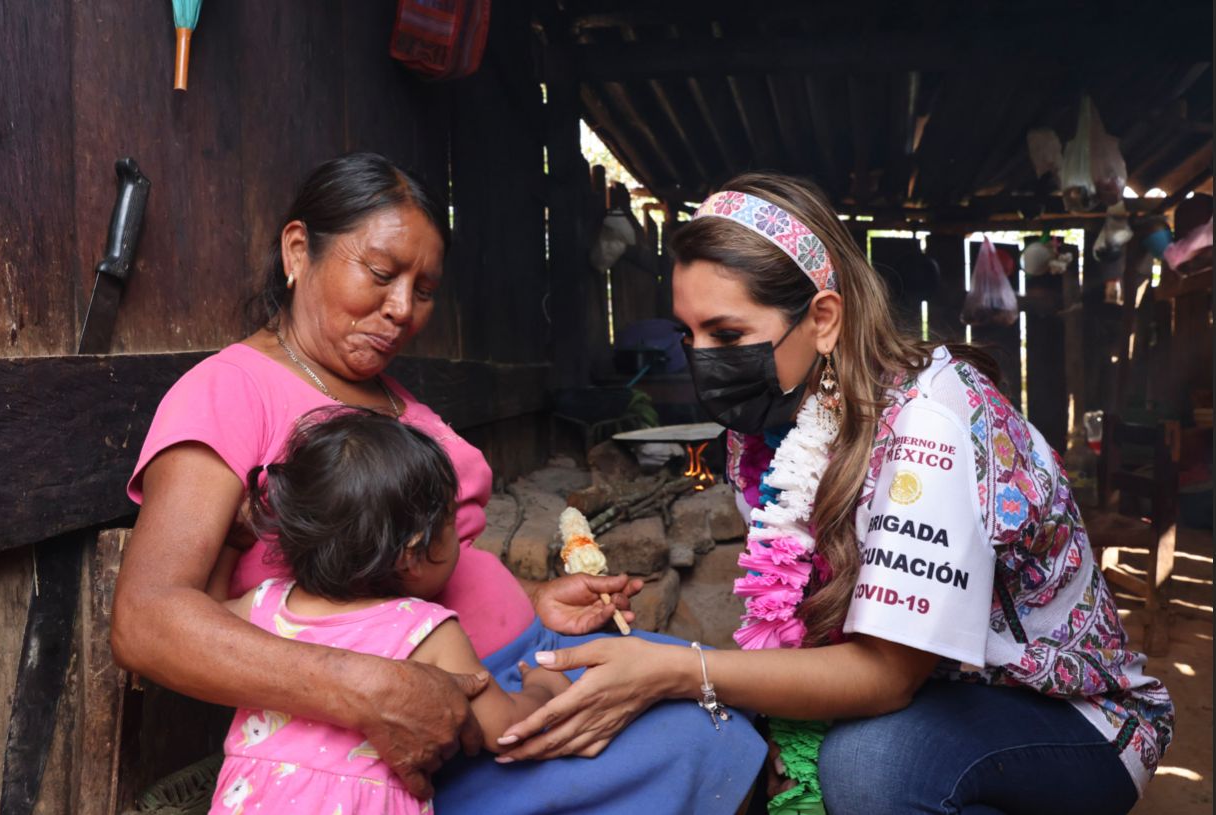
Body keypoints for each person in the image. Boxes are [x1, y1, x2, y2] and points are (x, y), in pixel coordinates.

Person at [496, 174, 1174, 815]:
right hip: (939, 695)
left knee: (869, 766)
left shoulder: (929, 424)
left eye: (727, 334)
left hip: (1070, 717)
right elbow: (798, 627)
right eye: (689, 335)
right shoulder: (766, 429)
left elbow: (885, 676)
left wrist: (682, 670)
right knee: (671, 690)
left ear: (823, 319)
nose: (702, 358)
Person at [111, 152, 764, 814]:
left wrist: (531, 596)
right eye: (380, 273)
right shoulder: (230, 392)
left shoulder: (385, 393)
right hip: (432, 735)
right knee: (703, 736)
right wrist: (376, 689)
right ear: (298, 249)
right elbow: (146, 621)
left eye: (423, 290)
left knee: (698, 688)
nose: (402, 309)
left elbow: (420, 562)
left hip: (512, 664)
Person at [210, 407, 571, 814]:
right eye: (452, 520)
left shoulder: (262, 606)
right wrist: (545, 686)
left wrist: (230, 546)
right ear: (414, 553)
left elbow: (208, 613)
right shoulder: (426, 632)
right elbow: (505, 729)